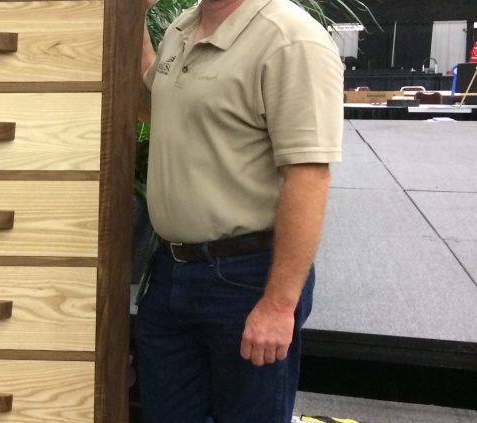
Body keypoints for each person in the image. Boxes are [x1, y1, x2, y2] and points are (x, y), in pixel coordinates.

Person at [135, 0, 342, 421]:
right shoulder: (183, 28)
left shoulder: (289, 38)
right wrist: (133, 17)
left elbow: (308, 176)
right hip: (170, 273)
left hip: (246, 280)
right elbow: (151, 107)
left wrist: (279, 306)